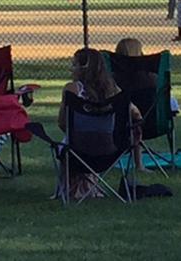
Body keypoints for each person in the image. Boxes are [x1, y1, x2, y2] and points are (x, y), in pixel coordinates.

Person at [57, 47, 143, 198]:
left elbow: (62, 123)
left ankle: (73, 188)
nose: (71, 69)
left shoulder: (72, 89)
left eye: (74, 64)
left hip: (77, 150)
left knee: (65, 144)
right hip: (111, 150)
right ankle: (89, 186)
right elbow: (136, 114)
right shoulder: (114, 91)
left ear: (83, 68)